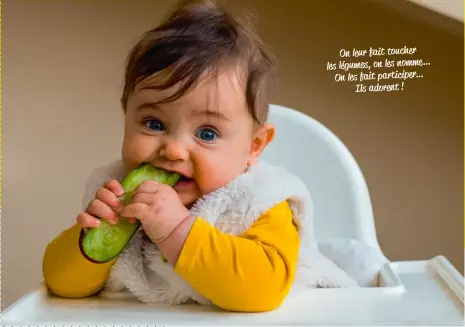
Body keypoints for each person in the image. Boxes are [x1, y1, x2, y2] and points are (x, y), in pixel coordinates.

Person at [42, 0, 357, 313]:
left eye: (207, 133)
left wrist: (177, 231)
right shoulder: (117, 192)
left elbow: (263, 291)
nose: (174, 150)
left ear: (254, 147)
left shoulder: (259, 202)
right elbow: (60, 284)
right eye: (154, 124)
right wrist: (92, 242)